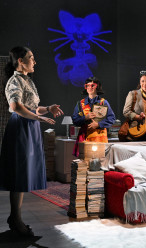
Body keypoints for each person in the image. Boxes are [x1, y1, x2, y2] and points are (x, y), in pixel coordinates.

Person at [0, 46, 64, 236]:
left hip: (29, 126)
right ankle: (15, 218)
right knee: (19, 173)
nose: (34, 61)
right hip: (20, 127)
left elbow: (32, 108)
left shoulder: (26, 80)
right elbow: (16, 106)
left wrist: (47, 108)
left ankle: (15, 217)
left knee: (24, 172)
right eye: (31, 58)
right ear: (20, 61)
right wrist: (39, 118)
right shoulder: (14, 80)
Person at [72, 76, 116, 157]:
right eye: (87, 85)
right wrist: (85, 118)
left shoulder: (104, 103)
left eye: (93, 85)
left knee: (100, 164)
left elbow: (112, 119)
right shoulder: (80, 104)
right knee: (85, 164)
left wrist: (98, 125)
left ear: (97, 87)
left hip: (100, 139)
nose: (90, 87)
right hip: (85, 139)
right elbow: (75, 120)